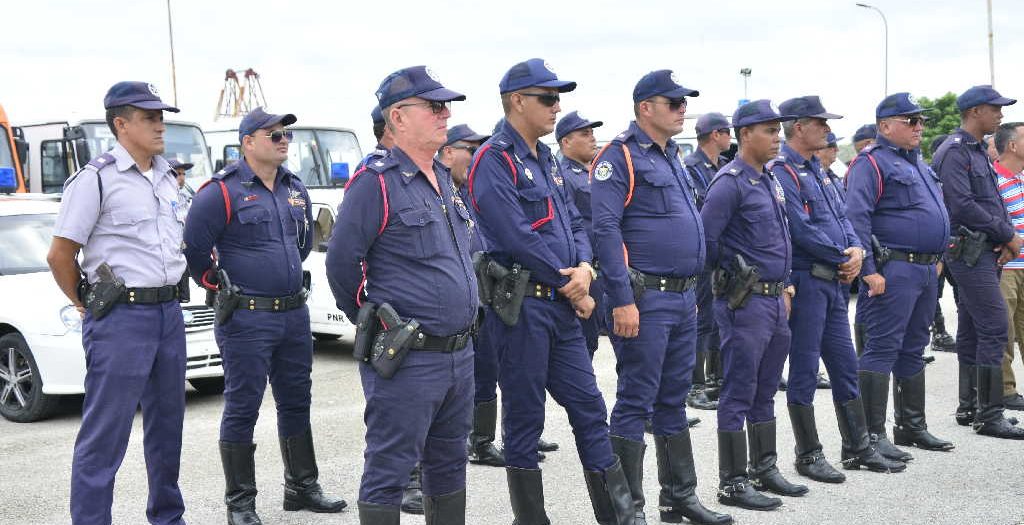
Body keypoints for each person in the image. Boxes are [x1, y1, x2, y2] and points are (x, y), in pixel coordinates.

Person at [467, 58, 633, 524]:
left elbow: (575, 221)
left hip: (561, 306)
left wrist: (584, 266)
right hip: (524, 310)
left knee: (588, 405)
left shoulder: (547, 159)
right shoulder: (493, 160)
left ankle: (619, 515)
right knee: (524, 420)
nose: (557, 106)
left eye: (558, 98)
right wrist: (572, 286)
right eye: (548, 98)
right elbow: (517, 235)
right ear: (518, 101)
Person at [328, 66, 479, 524]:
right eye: (433, 106)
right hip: (409, 358)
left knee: (450, 466)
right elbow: (341, 262)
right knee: (390, 469)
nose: (445, 113)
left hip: (459, 353)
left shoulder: (442, 176)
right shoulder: (376, 182)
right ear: (398, 116)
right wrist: (375, 320)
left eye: (445, 105)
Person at [183, 107, 345, 524]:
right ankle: (240, 503)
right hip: (247, 319)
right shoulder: (220, 191)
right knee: (243, 406)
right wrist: (222, 286)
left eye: (285, 134)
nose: (282, 140)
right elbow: (195, 251)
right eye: (272, 134)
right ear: (248, 142)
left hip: (292, 314)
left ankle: (302, 487)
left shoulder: (294, 188)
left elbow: (304, 243)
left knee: (297, 401)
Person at [591, 71, 732, 525]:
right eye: (672, 102)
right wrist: (621, 300)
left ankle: (679, 498)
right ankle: (628, 509)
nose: (681, 109)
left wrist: (691, 290)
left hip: (682, 298)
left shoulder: (673, 156)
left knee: (673, 400)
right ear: (644, 108)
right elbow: (605, 230)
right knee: (635, 400)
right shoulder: (620, 157)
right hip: (644, 300)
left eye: (683, 102)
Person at [47, 81, 188, 525]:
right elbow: (60, 254)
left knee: (168, 429)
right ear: (121, 124)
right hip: (122, 318)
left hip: (168, 313)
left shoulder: (168, 177)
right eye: (148, 117)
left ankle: (168, 517)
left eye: (160, 116)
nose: (159, 125)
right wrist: (85, 302)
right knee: (105, 434)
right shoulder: (96, 179)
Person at [769, 96, 905, 485]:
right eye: (821, 123)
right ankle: (808, 454)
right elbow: (798, 227)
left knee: (846, 365)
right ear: (799, 127)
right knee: (806, 368)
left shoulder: (818, 170)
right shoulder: (785, 172)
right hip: (811, 280)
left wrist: (856, 251)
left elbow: (843, 218)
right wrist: (842, 256)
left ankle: (857, 446)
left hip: (833, 282)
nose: (828, 130)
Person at [701, 99, 806, 511]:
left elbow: (781, 238)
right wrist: (731, 278)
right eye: (770, 131)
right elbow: (706, 242)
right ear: (745, 135)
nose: (777, 137)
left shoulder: (769, 180)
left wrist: (786, 286)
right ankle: (732, 481)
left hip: (774, 300)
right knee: (739, 390)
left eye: (779, 131)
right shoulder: (729, 182)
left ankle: (765, 467)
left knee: (765, 388)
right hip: (745, 303)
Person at [846, 93, 955, 464]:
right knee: (881, 347)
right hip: (893, 269)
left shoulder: (918, 163)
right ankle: (871, 436)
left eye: (919, 120)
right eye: (910, 121)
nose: (919, 127)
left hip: (924, 268)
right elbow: (856, 218)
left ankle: (911, 426)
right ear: (884, 126)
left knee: (914, 346)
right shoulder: (871, 163)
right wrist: (869, 270)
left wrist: (938, 257)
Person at [933, 85, 1024, 440]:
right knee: (995, 325)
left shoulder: (976, 151)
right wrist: (1007, 233)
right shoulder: (955, 152)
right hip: (968, 250)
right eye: (994, 109)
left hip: (984, 248)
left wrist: (1002, 237)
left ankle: (969, 405)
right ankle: (990, 414)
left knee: (972, 329)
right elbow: (961, 205)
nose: (1000, 115)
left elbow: (992, 201)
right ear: (975, 112)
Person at [439, 123, 509, 468]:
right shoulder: (437, 191)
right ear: (448, 151)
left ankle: (481, 442)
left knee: (487, 369)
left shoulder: (467, 190)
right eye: (470, 148)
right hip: (451, 306)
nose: (476, 155)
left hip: (484, 298)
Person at [683, 112, 732, 412]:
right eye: (727, 132)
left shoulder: (724, 167)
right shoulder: (691, 168)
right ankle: (695, 384)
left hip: (722, 253)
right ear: (714, 134)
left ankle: (715, 377)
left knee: (717, 318)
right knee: (701, 320)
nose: (730, 137)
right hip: (702, 253)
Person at [556, 110, 605, 356]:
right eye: (585, 134)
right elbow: (572, 227)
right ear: (566, 141)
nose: (592, 138)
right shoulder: (563, 175)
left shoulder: (589, 172)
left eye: (593, 133)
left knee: (592, 342)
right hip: (582, 272)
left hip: (598, 270)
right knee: (583, 345)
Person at [992, 122, 1024, 411]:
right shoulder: (994, 180)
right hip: (1007, 266)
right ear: (1012, 146)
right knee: (1005, 330)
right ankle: (1005, 391)